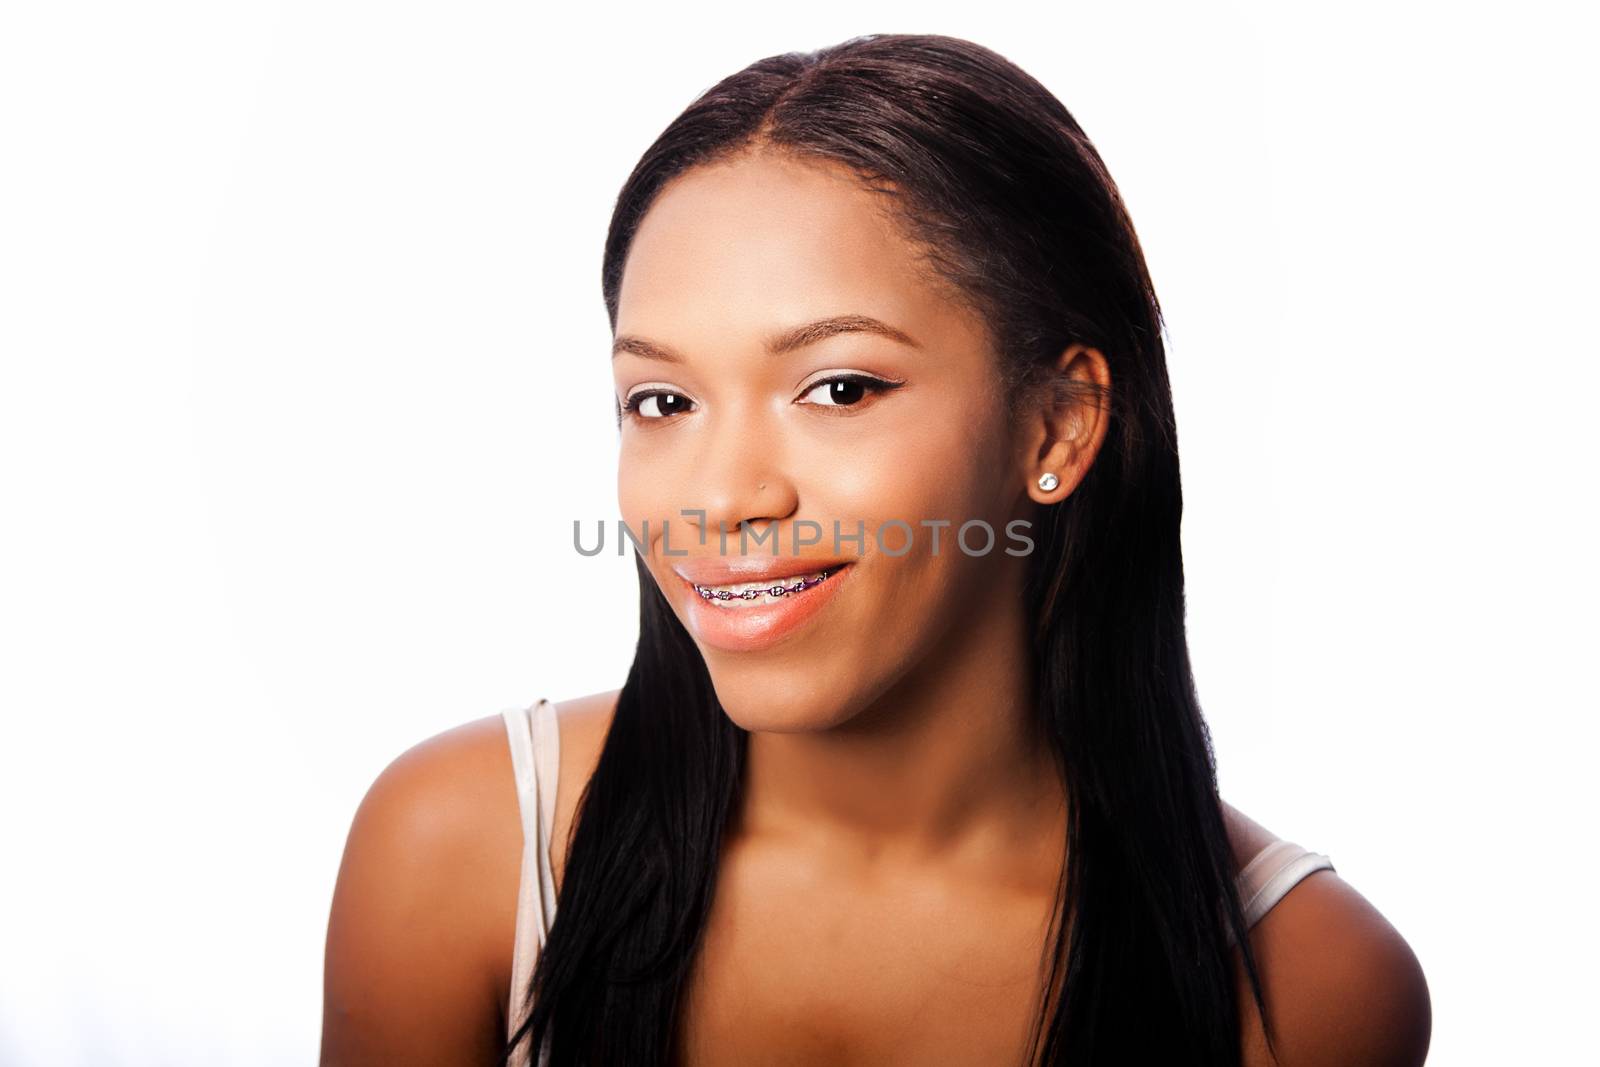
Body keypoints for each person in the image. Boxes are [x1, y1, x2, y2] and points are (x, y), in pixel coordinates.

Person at [321, 33, 1430, 1067]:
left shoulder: (1313, 986)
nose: (722, 495)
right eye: (661, 399)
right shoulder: (457, 852)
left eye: (839, 387)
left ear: (1056, 426)